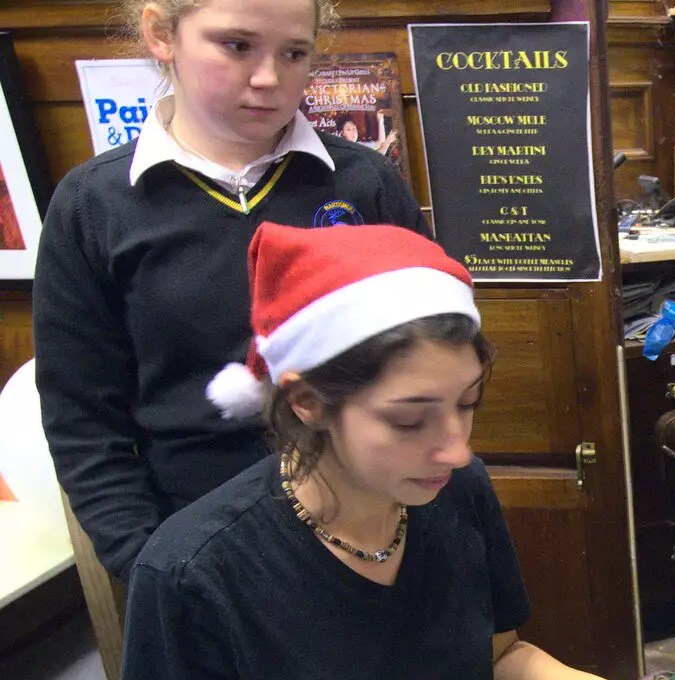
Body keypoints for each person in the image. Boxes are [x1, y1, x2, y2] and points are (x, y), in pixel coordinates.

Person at [112, 222, 675, 680]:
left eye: (467, 404)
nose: (454, 448)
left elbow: (500, 657)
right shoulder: (192, 572)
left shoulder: (456, 493)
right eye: (410, 419)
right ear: (306, 401)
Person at [34, 0, 430, 581]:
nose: (269, 78)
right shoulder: (93, 206)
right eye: (237, 45)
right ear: (162, 34)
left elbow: (431, 359)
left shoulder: (363, 183)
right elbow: (83, 416)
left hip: (372, 523)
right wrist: (146, 563)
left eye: (294, 53)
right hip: (196, 543)